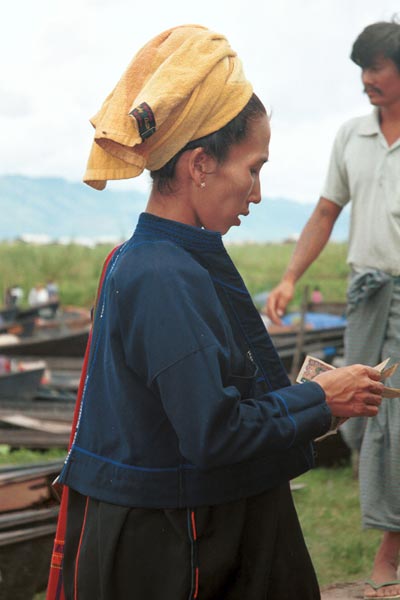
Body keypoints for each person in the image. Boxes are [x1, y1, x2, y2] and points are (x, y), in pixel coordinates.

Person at [46, 25, 384, 600]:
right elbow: (213, 432)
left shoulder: (170, 258)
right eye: (252, 169)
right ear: (200, 164)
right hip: (172, 550)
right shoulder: (161, 275)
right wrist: (321, 400)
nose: (256, 193)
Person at [266, 19, 400, 600]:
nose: (366, 81)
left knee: (393, 421)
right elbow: (325, 213)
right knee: (356, 414)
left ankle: (389, 550)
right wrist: (291, 277)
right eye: (361, 70)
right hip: (366, 293)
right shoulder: (352, 136)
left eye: (376, 67)